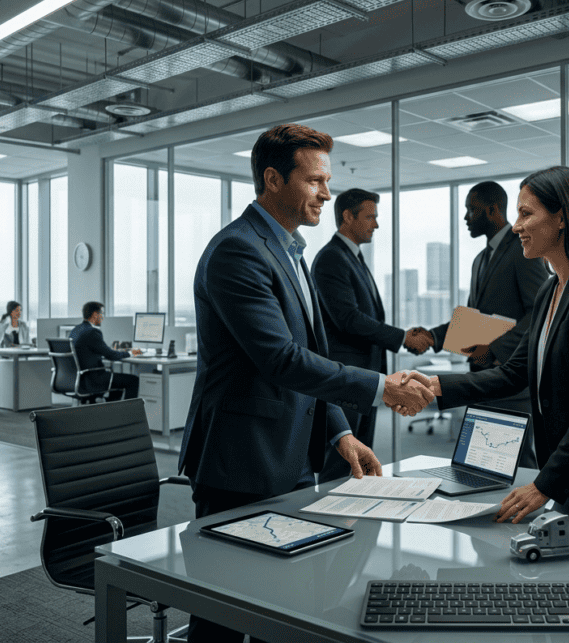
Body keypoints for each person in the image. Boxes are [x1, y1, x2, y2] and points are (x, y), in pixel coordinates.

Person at [177, 123, 434, 643]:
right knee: (222, 618)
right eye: (315, 181)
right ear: (273, 179)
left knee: (283, 606)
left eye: (327, 180)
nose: (326, 193)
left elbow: (312, 355)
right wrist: (381, 386)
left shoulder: (291, 251)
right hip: (242, 460)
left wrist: (340, 432)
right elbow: (281, 359)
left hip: (292, 458)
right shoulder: (237, 250)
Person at [398, 166, 569, 523]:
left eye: (526, 214)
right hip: (567, 473)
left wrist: (543, 485)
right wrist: (436, 386)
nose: (516, 226)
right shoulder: (550, 289)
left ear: (562, 217)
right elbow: (515, 373)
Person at [311, 187, 434, 482]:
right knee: (341, 463)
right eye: (370, 217)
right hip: (347, 378)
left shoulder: (352, 257)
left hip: (366, 377)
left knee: (362, 461)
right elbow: (348, 319)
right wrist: (403, 338)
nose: (376, 225)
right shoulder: (331, 258)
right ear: (347, 217)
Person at [427, 180, 549, 469]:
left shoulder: (524, 251)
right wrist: (432, 336)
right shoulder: (480, 259)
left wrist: (494, 350)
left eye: (472, 210)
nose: (466, 217)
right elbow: (473, 318)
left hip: (510, 383)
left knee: (516, 465)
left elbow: (539, 310)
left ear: (493, 210)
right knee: (483, 466)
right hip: (481, 380)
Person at [68, 302, 143, 401]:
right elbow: (111, 355)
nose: (103, 317)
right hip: (93, 379)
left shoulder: (75, 330)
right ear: (95, 314)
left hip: (79, 379)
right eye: (102, 313)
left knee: (117, 383)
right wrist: (131, 353)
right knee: (133, 380)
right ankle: (129, 411)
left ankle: (111, 408)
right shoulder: (92, 332)